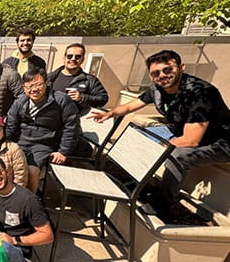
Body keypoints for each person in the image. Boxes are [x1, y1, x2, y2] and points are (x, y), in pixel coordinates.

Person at [92, 49, 230, 213]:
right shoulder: (156, 90)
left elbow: (191, 140)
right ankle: (140, 184)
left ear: (181, 67)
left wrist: (159, 145)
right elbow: (130, 105)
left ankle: (162, 203)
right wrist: (110, 113)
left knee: (177, 155)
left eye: (168, 69)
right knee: (138, 135)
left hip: (220, 143)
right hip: (181, 132)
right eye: (156, 73)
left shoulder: (200, 92)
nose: (162, 75)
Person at [6, 67, 80, 192]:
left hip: (44, 143)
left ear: (46, 83)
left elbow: (71, 127)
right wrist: (4, 143)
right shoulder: (20, 102)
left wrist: (63, 151)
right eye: (29, 86)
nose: (34, 89)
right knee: (5, 166)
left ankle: (29, 203)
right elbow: (11, 124)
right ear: (24, 88)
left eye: (38, 84)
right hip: (22, 141)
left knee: (31, 170)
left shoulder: (61, 100)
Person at [48, 43, 108, 115]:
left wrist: (81, 98)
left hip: (71, 123)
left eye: (78, 57)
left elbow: (103, 99)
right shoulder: (49, 77)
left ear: (82, 59)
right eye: (69, 56)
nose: (73, 59)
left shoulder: (89, 80)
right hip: (48, 121)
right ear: (64, 58)